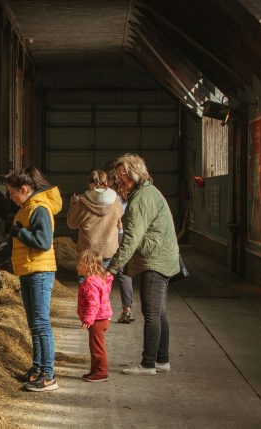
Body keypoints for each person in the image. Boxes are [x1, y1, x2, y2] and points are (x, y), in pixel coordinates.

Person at [0, 166, 62, 392]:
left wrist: (20, 232)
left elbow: (43, 242)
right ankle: (37, 369)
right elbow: (10, 247)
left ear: (24, 189)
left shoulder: (40, 209)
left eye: (12, 193)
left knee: (41, 324)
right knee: (34, 324)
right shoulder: (24, 210)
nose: (10, 198)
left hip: (40, 272)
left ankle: (49, 375)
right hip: (28, 270)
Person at [107, 154, 179, 376]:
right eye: (117, 175)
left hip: (154, 261)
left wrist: (112, 267)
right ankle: (162, 359)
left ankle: (148, 363)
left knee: (151, 313)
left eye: (123, 175)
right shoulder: (147, 192)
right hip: (161, 257)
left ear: (135, 173)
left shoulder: (141, 198)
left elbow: (131, 238)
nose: (119, 179)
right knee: (159, 312)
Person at [66, 169, 123, 279]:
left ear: (90, 183)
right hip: (109, 250)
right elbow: (120, 224)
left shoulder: (82, 201)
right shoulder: (116, 200)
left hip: (88, 253)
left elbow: (71, 224)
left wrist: (73, 204)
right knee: (103, 287)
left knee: (86, 287)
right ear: (106, 181)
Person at [104, 160, 135, 324]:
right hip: (122, 233)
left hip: (109, 234)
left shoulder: (108, 193)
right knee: (124, 272)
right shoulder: (128, 191)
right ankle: (127, 310)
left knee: (104, 269)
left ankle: (102, 308)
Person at [77, 249, 113, 382]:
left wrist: (88, 318)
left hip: (97, 320)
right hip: (101, 318)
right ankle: (95, 370)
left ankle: (101, 372)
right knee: (94, 346)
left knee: (97, 347)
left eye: (79, 264)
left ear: (88, 265)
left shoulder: (90, 282)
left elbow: (94, 303)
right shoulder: (99, 278)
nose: (77, 267)